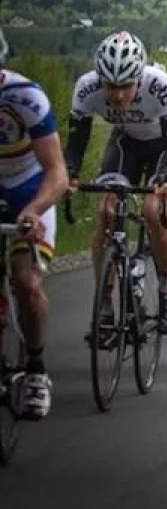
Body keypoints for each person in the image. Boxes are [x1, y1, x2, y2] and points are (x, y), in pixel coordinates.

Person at [65, 31, 167, 335]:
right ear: (99, 79)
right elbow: (75, 146)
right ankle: (105, 300)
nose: (118, 95)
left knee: (153, 210)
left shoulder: (160, 85)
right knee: (107, 211)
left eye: (125, 86)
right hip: (126, 145)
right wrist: (69, 174)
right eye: (111, 87)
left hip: (165, 149)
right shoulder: (86, 88)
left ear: (139, 77)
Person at [0, 30, 69, 418]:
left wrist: (35, 209)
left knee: (26, 282)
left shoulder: (25, 96)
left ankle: (37, 369)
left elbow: (57, 174)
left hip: (30, 187)